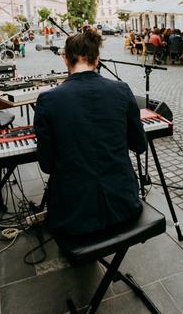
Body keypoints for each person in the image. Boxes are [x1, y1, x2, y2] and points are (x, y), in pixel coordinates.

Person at [33, 31, 147, 235]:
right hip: (124, 204)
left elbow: (46, 165)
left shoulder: (47, 100)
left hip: (72, 215)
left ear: (65, 59)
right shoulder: (122, 90)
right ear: (97, 60)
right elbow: (139, 145)